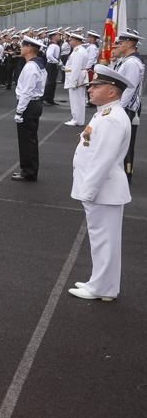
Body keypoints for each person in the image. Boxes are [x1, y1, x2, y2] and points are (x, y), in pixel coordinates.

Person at [67, 66, 133, 302]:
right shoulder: (106, 113)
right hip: (104, 190)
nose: (90, 89)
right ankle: (103, 284)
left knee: (103, 240)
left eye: (97, 86)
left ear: (112, 92)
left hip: (102, 190)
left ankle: (102, 288)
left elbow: (103, 160)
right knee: (104, 241)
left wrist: (88, 191)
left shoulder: (111, 119)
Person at [12, 35, 47, 182]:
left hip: (29, 105)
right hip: (33, 104)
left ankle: (29, 171)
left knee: (27, 140)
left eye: (23, 46)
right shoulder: (37, 64)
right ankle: (27, 168)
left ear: (29, 49)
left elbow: (27, 91)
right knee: (28, 139)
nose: (21, 48)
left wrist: (19, 111)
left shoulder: (31, 67)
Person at [112, 30, 143, 177]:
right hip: (123, 106)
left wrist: (119, 107)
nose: (117, 45)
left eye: (120, 43)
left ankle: (127, 170)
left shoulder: (132, 63)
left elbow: (129, 89)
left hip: (128, 107)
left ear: (129, 44)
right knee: (120, 139)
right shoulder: (127, 61)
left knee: (127, 140)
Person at [63, 32, 88, 126]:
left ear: (76, 41)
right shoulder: (80, 50)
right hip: (79, 77)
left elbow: (76, 68)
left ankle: (76, 119)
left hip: (76, 78)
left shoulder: (78, 52)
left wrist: (73, 82)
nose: (70, 42)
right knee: (79, 99)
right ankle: (78, 119)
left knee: (76, 100)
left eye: (71, 40)